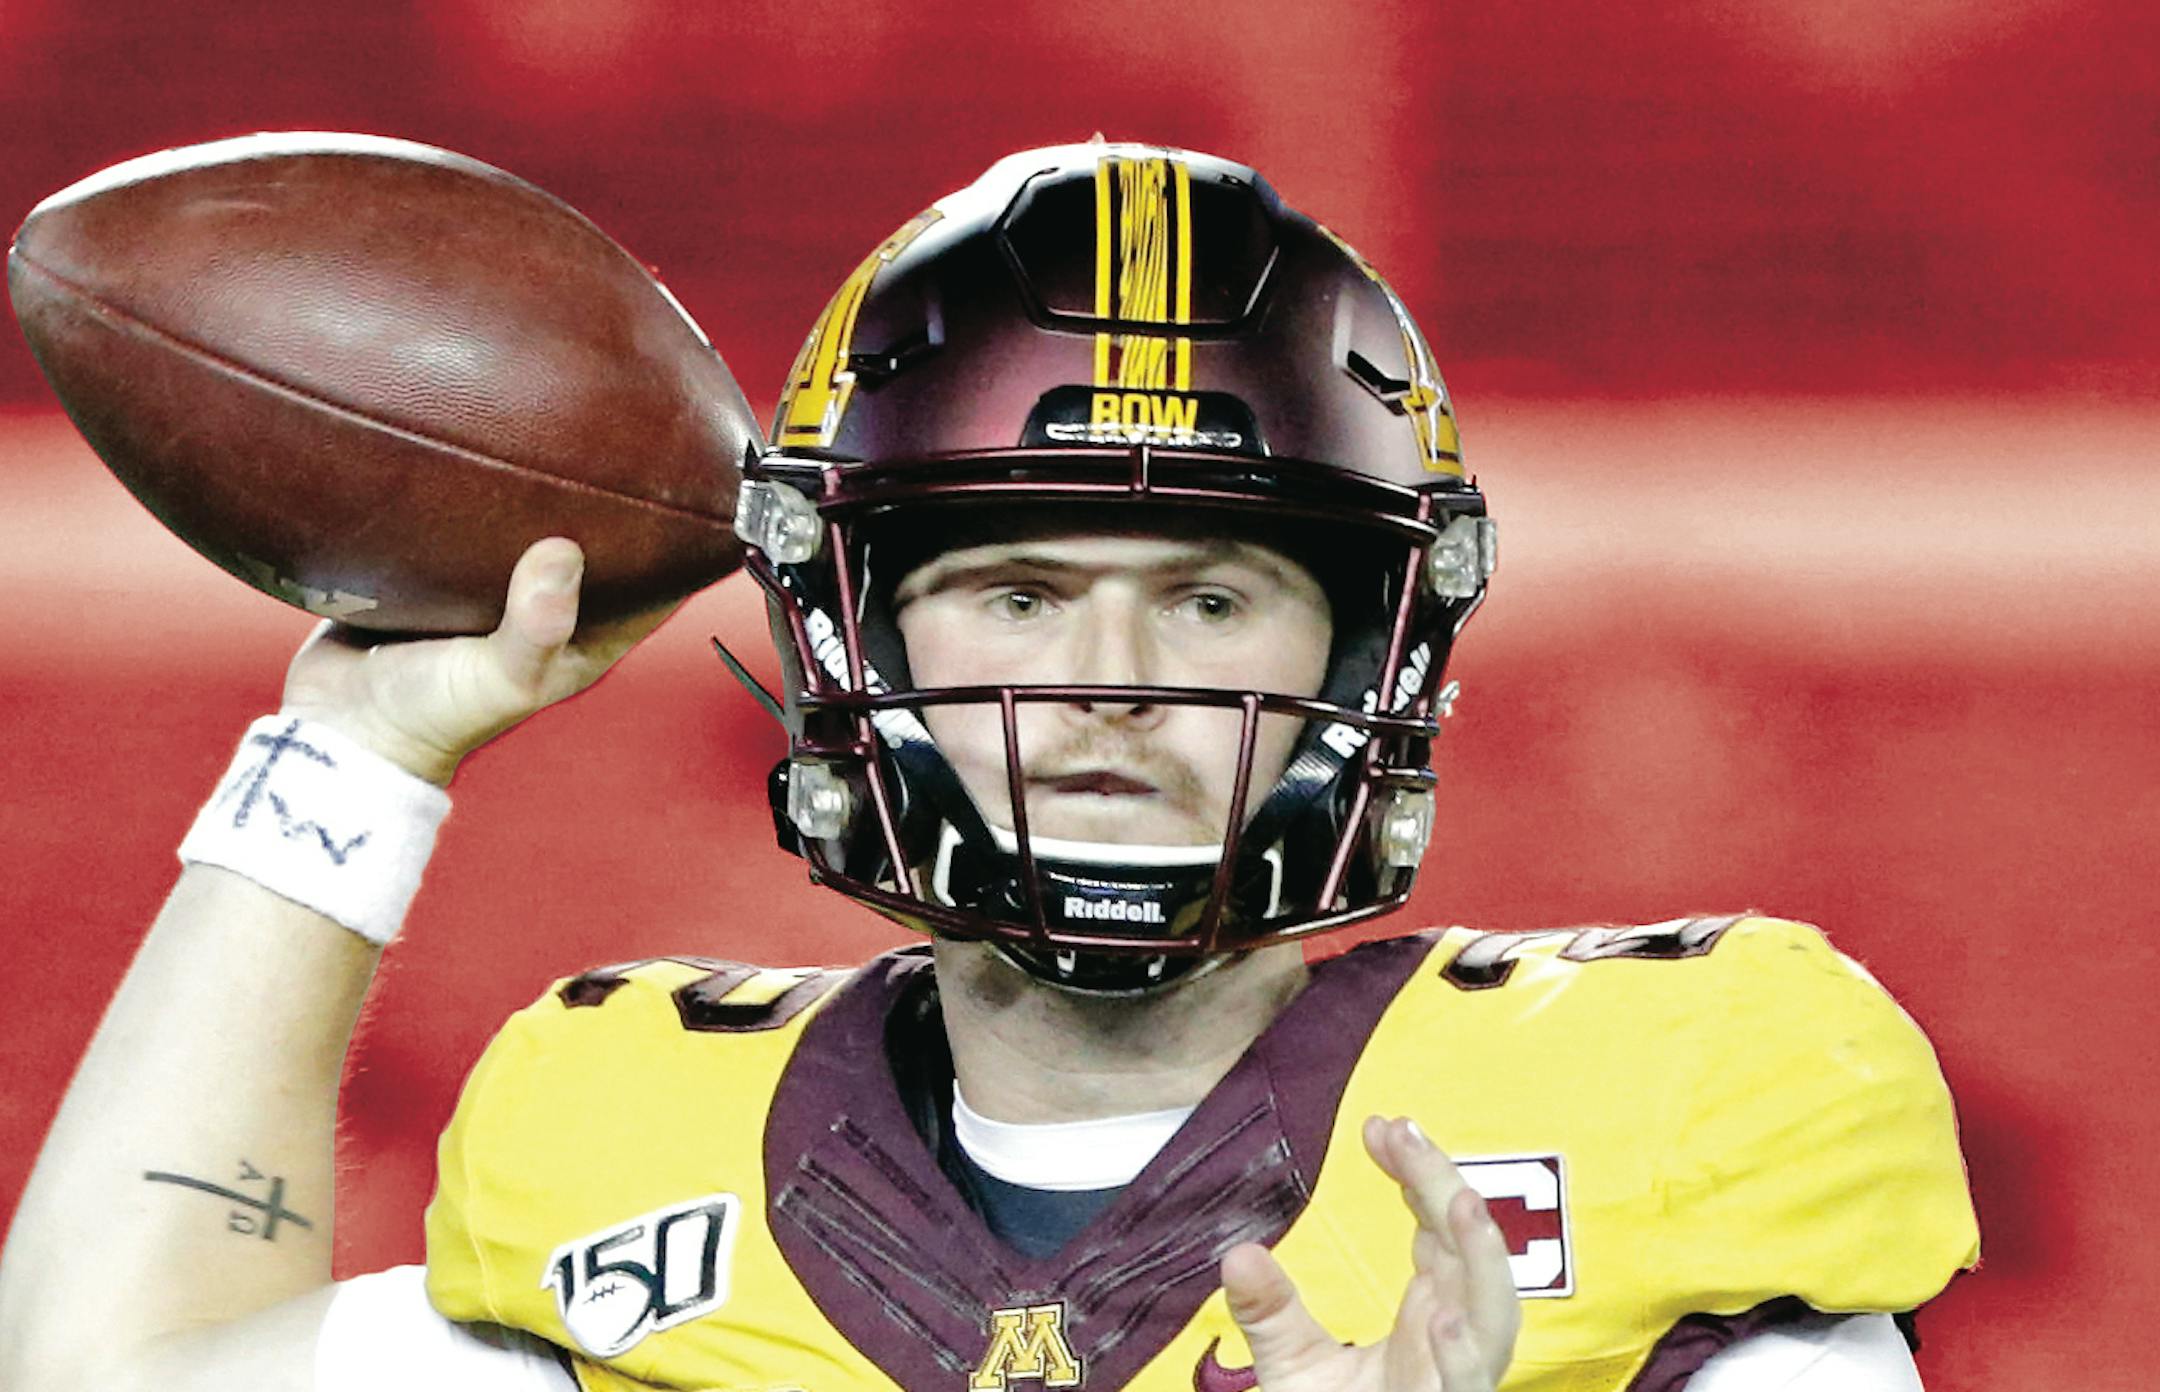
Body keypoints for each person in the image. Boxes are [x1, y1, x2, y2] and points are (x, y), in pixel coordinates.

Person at [0, 143, 1977, 1392]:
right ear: (854, 638)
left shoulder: (1671, 1122)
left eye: (1209, 600)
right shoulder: (631, 1160)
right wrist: (353, 752)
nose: (1110, 682)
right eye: (1018, 591)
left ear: (1368, 650)